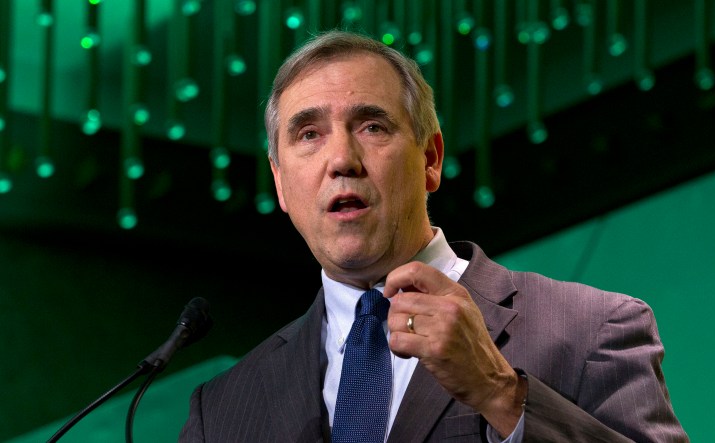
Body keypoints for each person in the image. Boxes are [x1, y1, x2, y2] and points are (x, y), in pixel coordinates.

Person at [179, 29, 688, 442]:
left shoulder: (592, 330)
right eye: (308, 134)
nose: (341, 161)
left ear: (430, 159)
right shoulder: (221, 409)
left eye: (372, 126)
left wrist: (501, 394)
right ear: (280, 182)